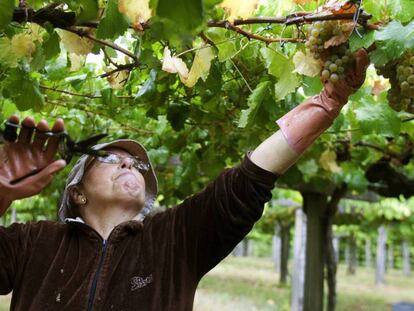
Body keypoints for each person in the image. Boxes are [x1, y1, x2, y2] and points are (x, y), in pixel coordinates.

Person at [0, 49, 369, 310]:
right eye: (111, 159)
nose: (130, 166)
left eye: (138, 165)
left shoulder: (176, 237)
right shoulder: (33, 242)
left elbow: (250, 179)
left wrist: (327, 103)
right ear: (77, 192)